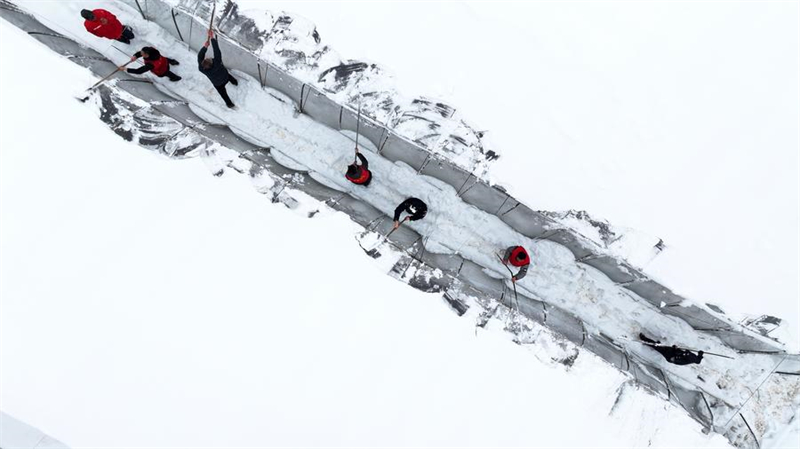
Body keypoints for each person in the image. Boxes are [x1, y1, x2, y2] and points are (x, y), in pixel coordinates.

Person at [198, 29, 238, 108]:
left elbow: (199, 57)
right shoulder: (217, 61)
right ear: (211, 63)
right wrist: (211, 38)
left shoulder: (201, 68)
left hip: (218, 84)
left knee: (223, 94)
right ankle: (234, 82)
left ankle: (229, 104)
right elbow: (216, 50)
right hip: (225, 76)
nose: (208, 58)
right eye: (209, 59)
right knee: (229, 76)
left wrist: (205, 47)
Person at [639, 334, 704, 365]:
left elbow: (672, 358)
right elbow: (698, 361)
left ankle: (644, 340)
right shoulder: (694, 358)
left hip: (670, 356)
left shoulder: (683, 360)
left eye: (685, 353)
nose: (685, 352)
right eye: (686, 352)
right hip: (673, 352)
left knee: (657, 347)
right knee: (661, 346)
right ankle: (659, 344)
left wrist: (674, 350)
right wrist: (700, 354)